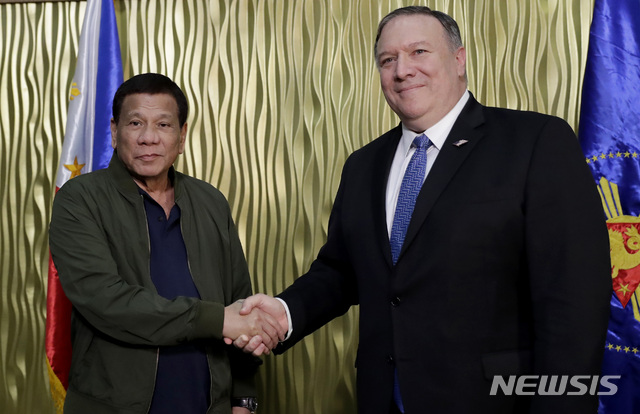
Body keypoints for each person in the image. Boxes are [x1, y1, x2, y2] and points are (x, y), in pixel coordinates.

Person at [231, 6, 612, 414]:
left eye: (418, 52)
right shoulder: (362, 166)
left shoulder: (535, 142)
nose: (402, 70)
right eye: (388, 59)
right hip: (383, 399)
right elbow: (340, 272)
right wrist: (284, 313)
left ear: (459, 59)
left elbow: (574, 303)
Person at [49, 73, 284, 414]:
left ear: (182, 135)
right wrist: (217, 320)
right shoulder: (79, 200)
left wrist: (243, 399)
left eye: (163, 124)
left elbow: (241, 302)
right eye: (135, 123)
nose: (148, 138)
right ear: (115, 133)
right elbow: (107, 301)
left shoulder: (210, 201)